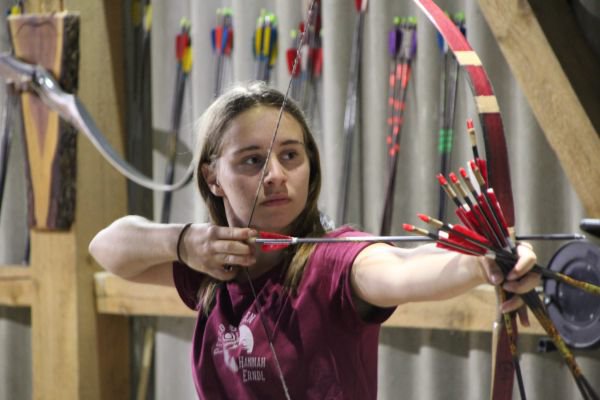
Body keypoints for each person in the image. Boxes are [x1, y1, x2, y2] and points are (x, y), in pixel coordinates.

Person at [89, 81, 539, 399]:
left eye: (290, 155)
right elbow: (107, 248)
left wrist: (482, 262)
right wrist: (185, 241)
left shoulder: (335, 263)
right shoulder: (213, 266)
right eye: (251, 161)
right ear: (213, 178)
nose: (276, 177)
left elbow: (402, 269)